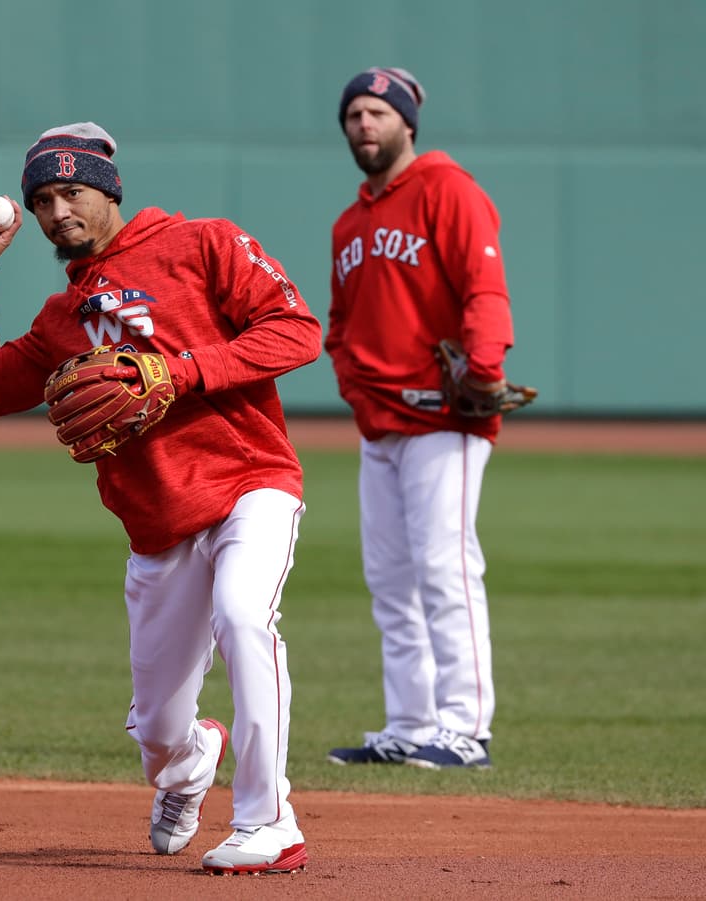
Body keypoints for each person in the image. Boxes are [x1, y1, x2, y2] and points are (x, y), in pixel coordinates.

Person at [0, 123, 323, 874]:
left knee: (247, 616)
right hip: (157, 525)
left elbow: (298, 330)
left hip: (252, 481)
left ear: (109, 190)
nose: (58, 211)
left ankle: (269, 819)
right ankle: (190, 763)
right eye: (43, 199)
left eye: (72, 191)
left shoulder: (203, 244)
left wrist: (181, 371)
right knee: (157, 729)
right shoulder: (63, 320)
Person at [324, 68, 518, 769]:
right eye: (354, 115)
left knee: (445, 567)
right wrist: (354, 388)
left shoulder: (450, 191)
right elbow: (340, 325)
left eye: (378, 112)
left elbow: (484, 291)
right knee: (391, 579)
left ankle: (465, 728)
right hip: (380, 426)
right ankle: (410, 721)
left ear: (408, 122)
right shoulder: (350, 222)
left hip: (444, 421)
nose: (364, 125)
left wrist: (486, 369)